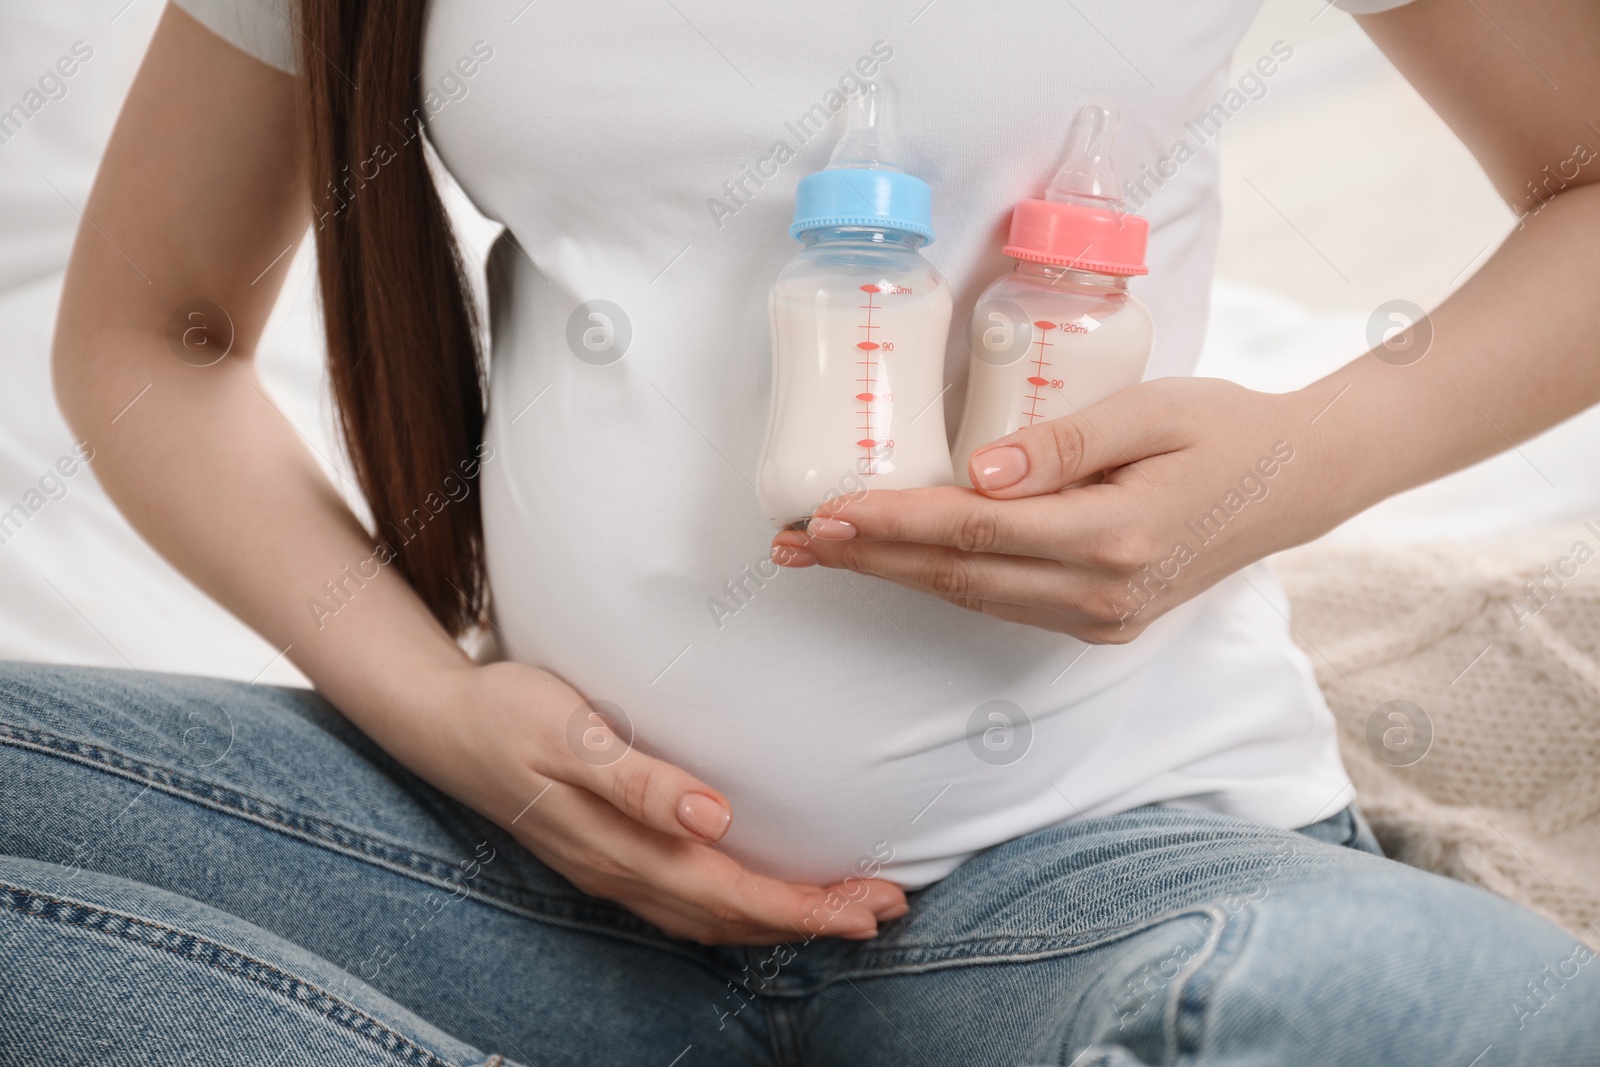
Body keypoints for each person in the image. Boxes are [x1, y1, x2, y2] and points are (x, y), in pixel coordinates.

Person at [5, 0, 1598, 1062]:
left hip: (1097, 868)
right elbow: (162, 332)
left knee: (1410, 1015)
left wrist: (1295, 460)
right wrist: (453, 722)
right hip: (534, 886)